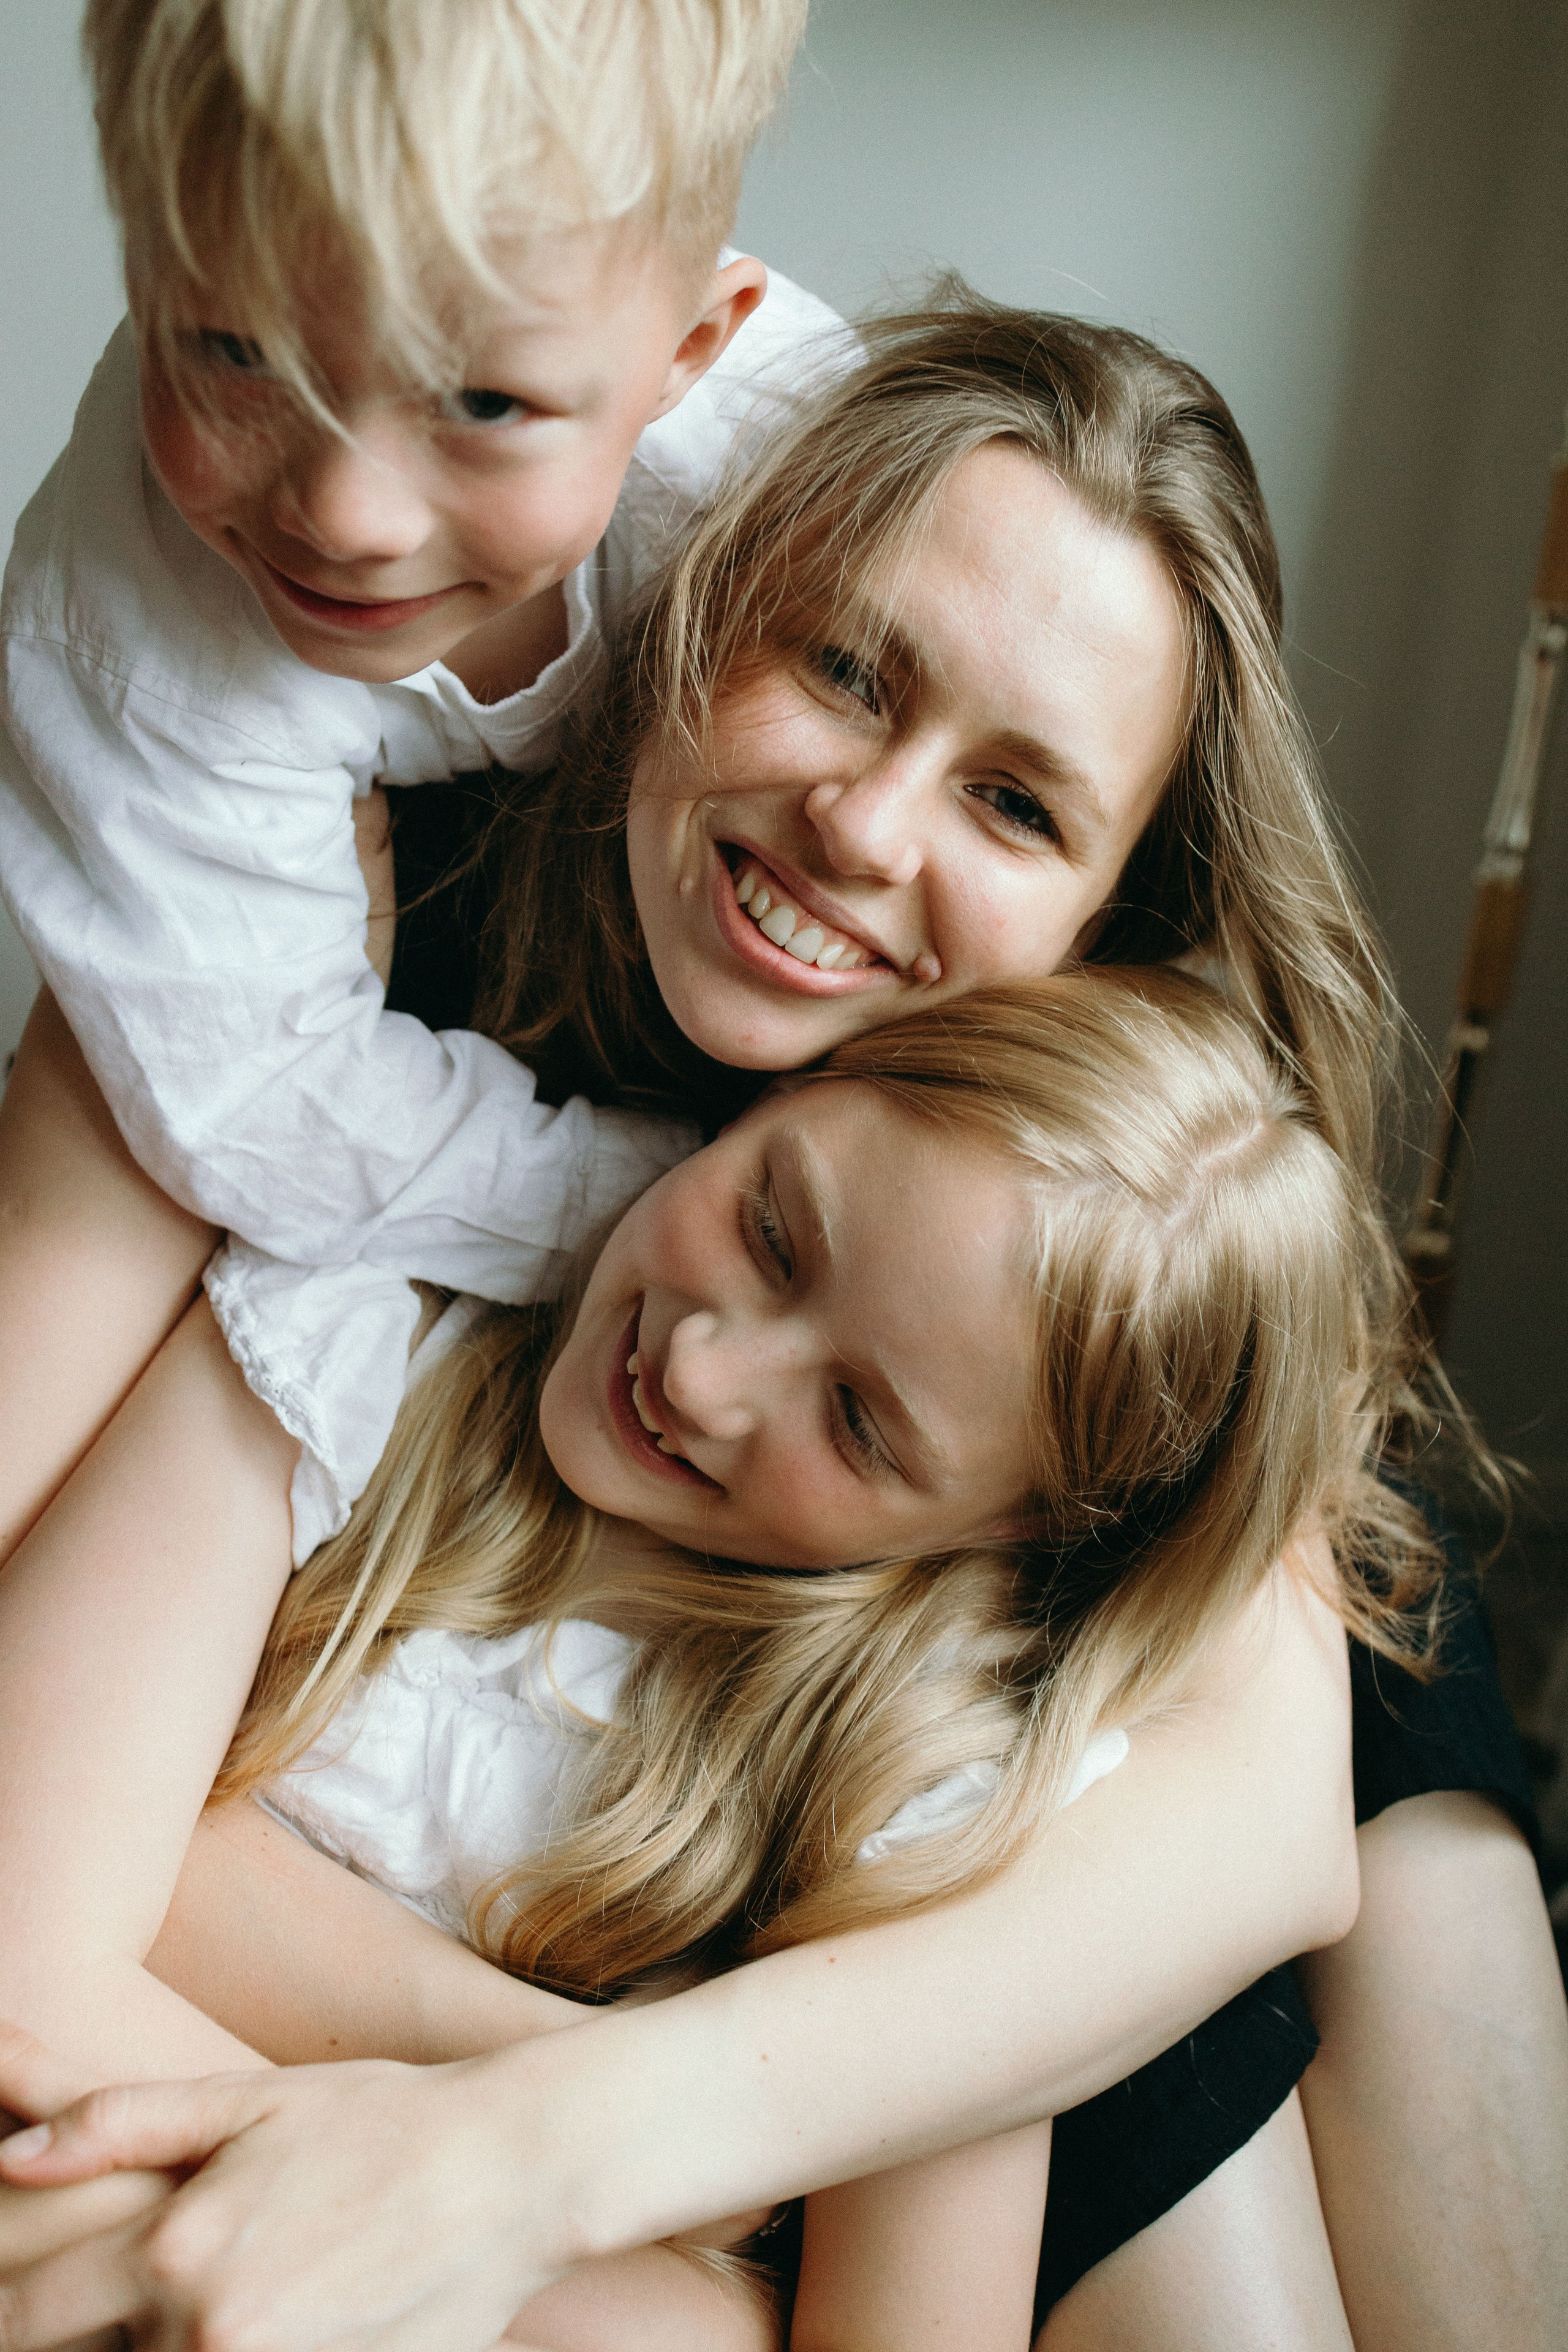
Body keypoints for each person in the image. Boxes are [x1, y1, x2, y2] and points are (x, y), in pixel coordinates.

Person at [0, 302, 1562, 2346]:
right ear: (711, 602)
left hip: (906, 1719)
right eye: (843, 671)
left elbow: (1266, 1848)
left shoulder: (1103, 1222)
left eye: (1019, 809)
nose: (868, 827)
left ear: (1106, 929)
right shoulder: (327, 928)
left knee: (1360, 1897)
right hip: (534, 1840)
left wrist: (560, 2155)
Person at [1, 967, 1425, 2352]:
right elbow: (17, 1941)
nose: (700, 1372)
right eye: (772, 1232)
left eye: (860, 1424)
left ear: (1010, 1525)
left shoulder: (927, 1781)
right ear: (791, 1086)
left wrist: (375, 2252)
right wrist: (500, 2142)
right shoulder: (338, 1363)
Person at [0, 0, 829, 1566]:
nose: (342, 510)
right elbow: (249, 1095)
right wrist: (644, 1197)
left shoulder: (796, 460)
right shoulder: (128, 628)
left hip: (729, 1037)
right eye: (234, 353)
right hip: (385, 1049)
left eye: (484, 406)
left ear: (688, 352)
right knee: (90, 1149)